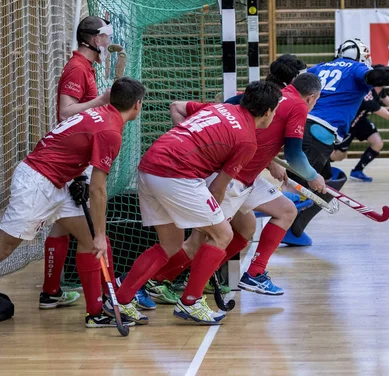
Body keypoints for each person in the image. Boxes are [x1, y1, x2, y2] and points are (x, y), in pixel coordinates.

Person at [0, 77, 145, 339]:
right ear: (137, 105)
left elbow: (69, 144)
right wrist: (101, 231)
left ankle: (95, 312)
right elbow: (99, 189)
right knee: (1, 248)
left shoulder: (99, 113)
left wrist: (77, 176)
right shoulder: (111, 131)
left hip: (59, 181)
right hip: (38, 183)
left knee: (88, 241)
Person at [142, 55, 321, 304]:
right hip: (231, 177)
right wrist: (313, 177)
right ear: (311, 97)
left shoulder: (265, 96)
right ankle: (157, 281)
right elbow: (292, 153)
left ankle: (252, 273)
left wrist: (268, 161)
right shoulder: (295, 105)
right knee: (199, 240)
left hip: (248, 177)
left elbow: (241, 121)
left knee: (277, 215)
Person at [105, 81, 282, 325]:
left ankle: (121, 300)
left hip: (149, 167)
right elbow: (218, 188)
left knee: (170, 244)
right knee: (223, 235)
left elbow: (178, 107)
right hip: (175, 175)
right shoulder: (248, 141)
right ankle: (191, 301)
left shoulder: (219, 108)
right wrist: (213, 223)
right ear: (268, 112)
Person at [288, 38, 389, 237]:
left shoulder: (321, 67)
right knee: (297, 185)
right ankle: (285, 225)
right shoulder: (355, 69)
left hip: (299, 124)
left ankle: (296, 224)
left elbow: (294, 85)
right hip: (320, 132)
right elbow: (375, 76)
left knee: (330, 179)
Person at [38, 15, 138, 311]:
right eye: (105, 36)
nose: (108, 41)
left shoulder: (89, 67)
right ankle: (101, 302)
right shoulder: (76, 68)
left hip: (76, 155)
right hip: (71, 159)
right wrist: (102, 101)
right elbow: (66, 111)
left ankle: (51, 292)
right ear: (94, 39)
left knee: (61, 228)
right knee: (90, 232)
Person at [330, 86, 389, 181]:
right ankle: (321, 166)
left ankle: (357, 171)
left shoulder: (380, 90)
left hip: (361, 121)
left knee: (377, 142)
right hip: (349, 123)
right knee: (339, 156)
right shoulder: (368, 97)